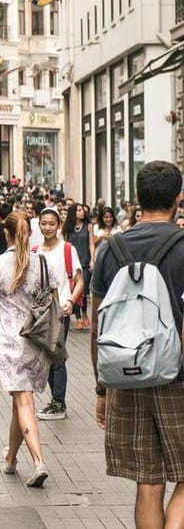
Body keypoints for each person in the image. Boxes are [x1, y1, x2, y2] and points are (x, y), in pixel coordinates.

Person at [91, 161, 184, 526]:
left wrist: (101, 388)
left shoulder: (110, 249)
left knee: (148, 481)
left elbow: (100, 322)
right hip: (177, 378)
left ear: (136, 198)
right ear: (178, 198)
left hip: (125, 377)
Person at [0, 212, 63, 489]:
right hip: (38, 341)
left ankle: (38, 462)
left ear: (7, 234)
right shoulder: (42, 262)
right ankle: (11, 458)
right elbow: (54, 301)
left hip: (11, 340)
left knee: (23, 401)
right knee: (20, 400)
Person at [33, 208, 83, 421]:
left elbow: (80, 280)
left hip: (61, 310)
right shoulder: (35, 251)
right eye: (44, 223)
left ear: (59, 225)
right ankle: (56, 400)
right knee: (49, 356)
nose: (47, 227)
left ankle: (59, 402)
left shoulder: (67, 249)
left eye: (51, 224)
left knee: (57, 356)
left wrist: (71, 301)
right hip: (41, 313)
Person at [63, 203, 92, 331]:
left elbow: (91, 244)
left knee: (83, 290)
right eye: (79, 210)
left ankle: (84, 312)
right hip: (72, 263)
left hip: (85, 261)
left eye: (82, 210)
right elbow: (64, 244)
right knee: (74, 290)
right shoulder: (67, 228)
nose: (82, 212)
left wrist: (93, 259)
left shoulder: (88, 226)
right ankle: (79, 318)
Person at [90, 206, 120, 270]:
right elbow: (93, 244)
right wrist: (101, 237)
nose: (109, 219)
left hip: (113, 259)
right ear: (102, 218)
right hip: (99, 259)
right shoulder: (96, 227)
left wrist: (113, 238)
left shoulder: (117, 228)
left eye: (110, 217)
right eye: (106, 217)